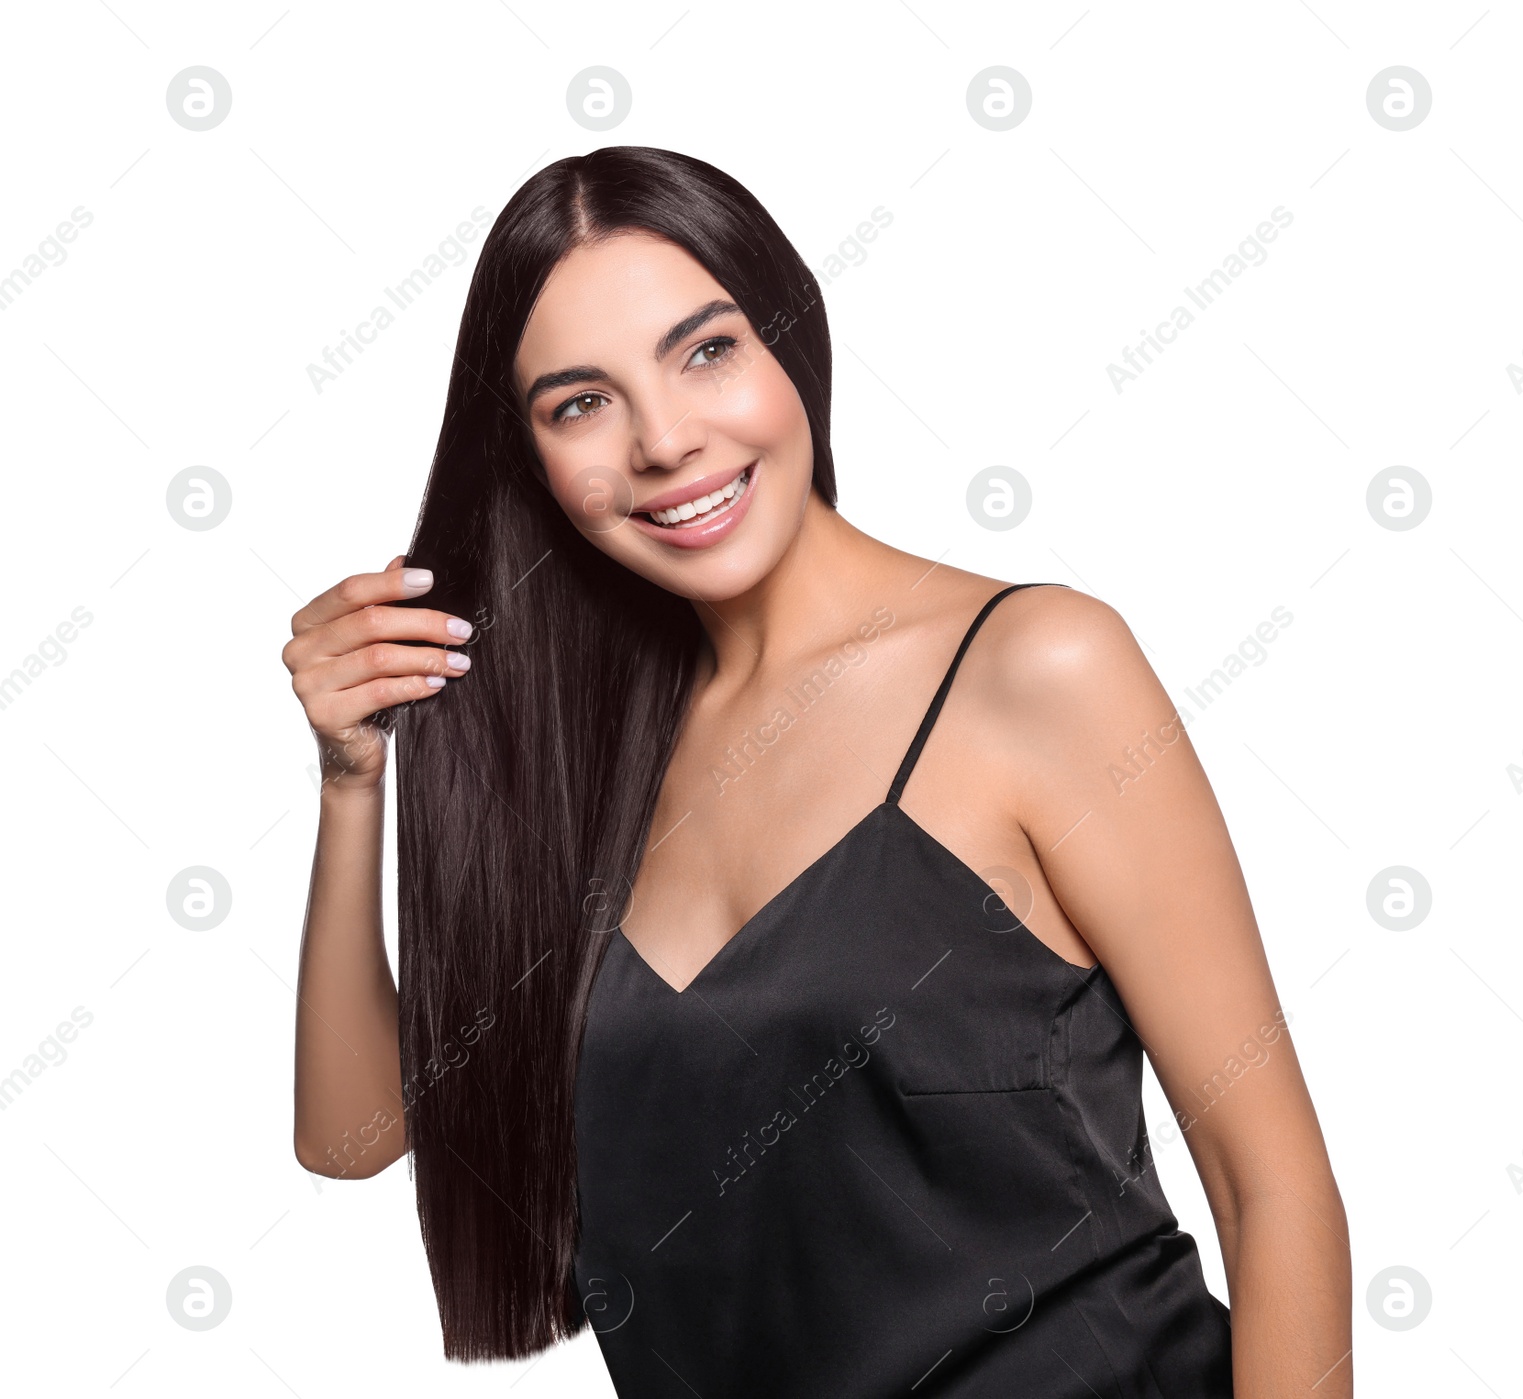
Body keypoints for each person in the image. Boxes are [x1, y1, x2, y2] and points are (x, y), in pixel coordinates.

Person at [283, 146, 1351, 1396]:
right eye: (582, 403)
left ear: (792, 335)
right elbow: (353, 1138)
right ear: (528, 461)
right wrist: (351, 782)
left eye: (707, 350)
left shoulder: (1035, 669)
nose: (666, 440)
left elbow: (1267, 1182)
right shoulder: (570, 778)